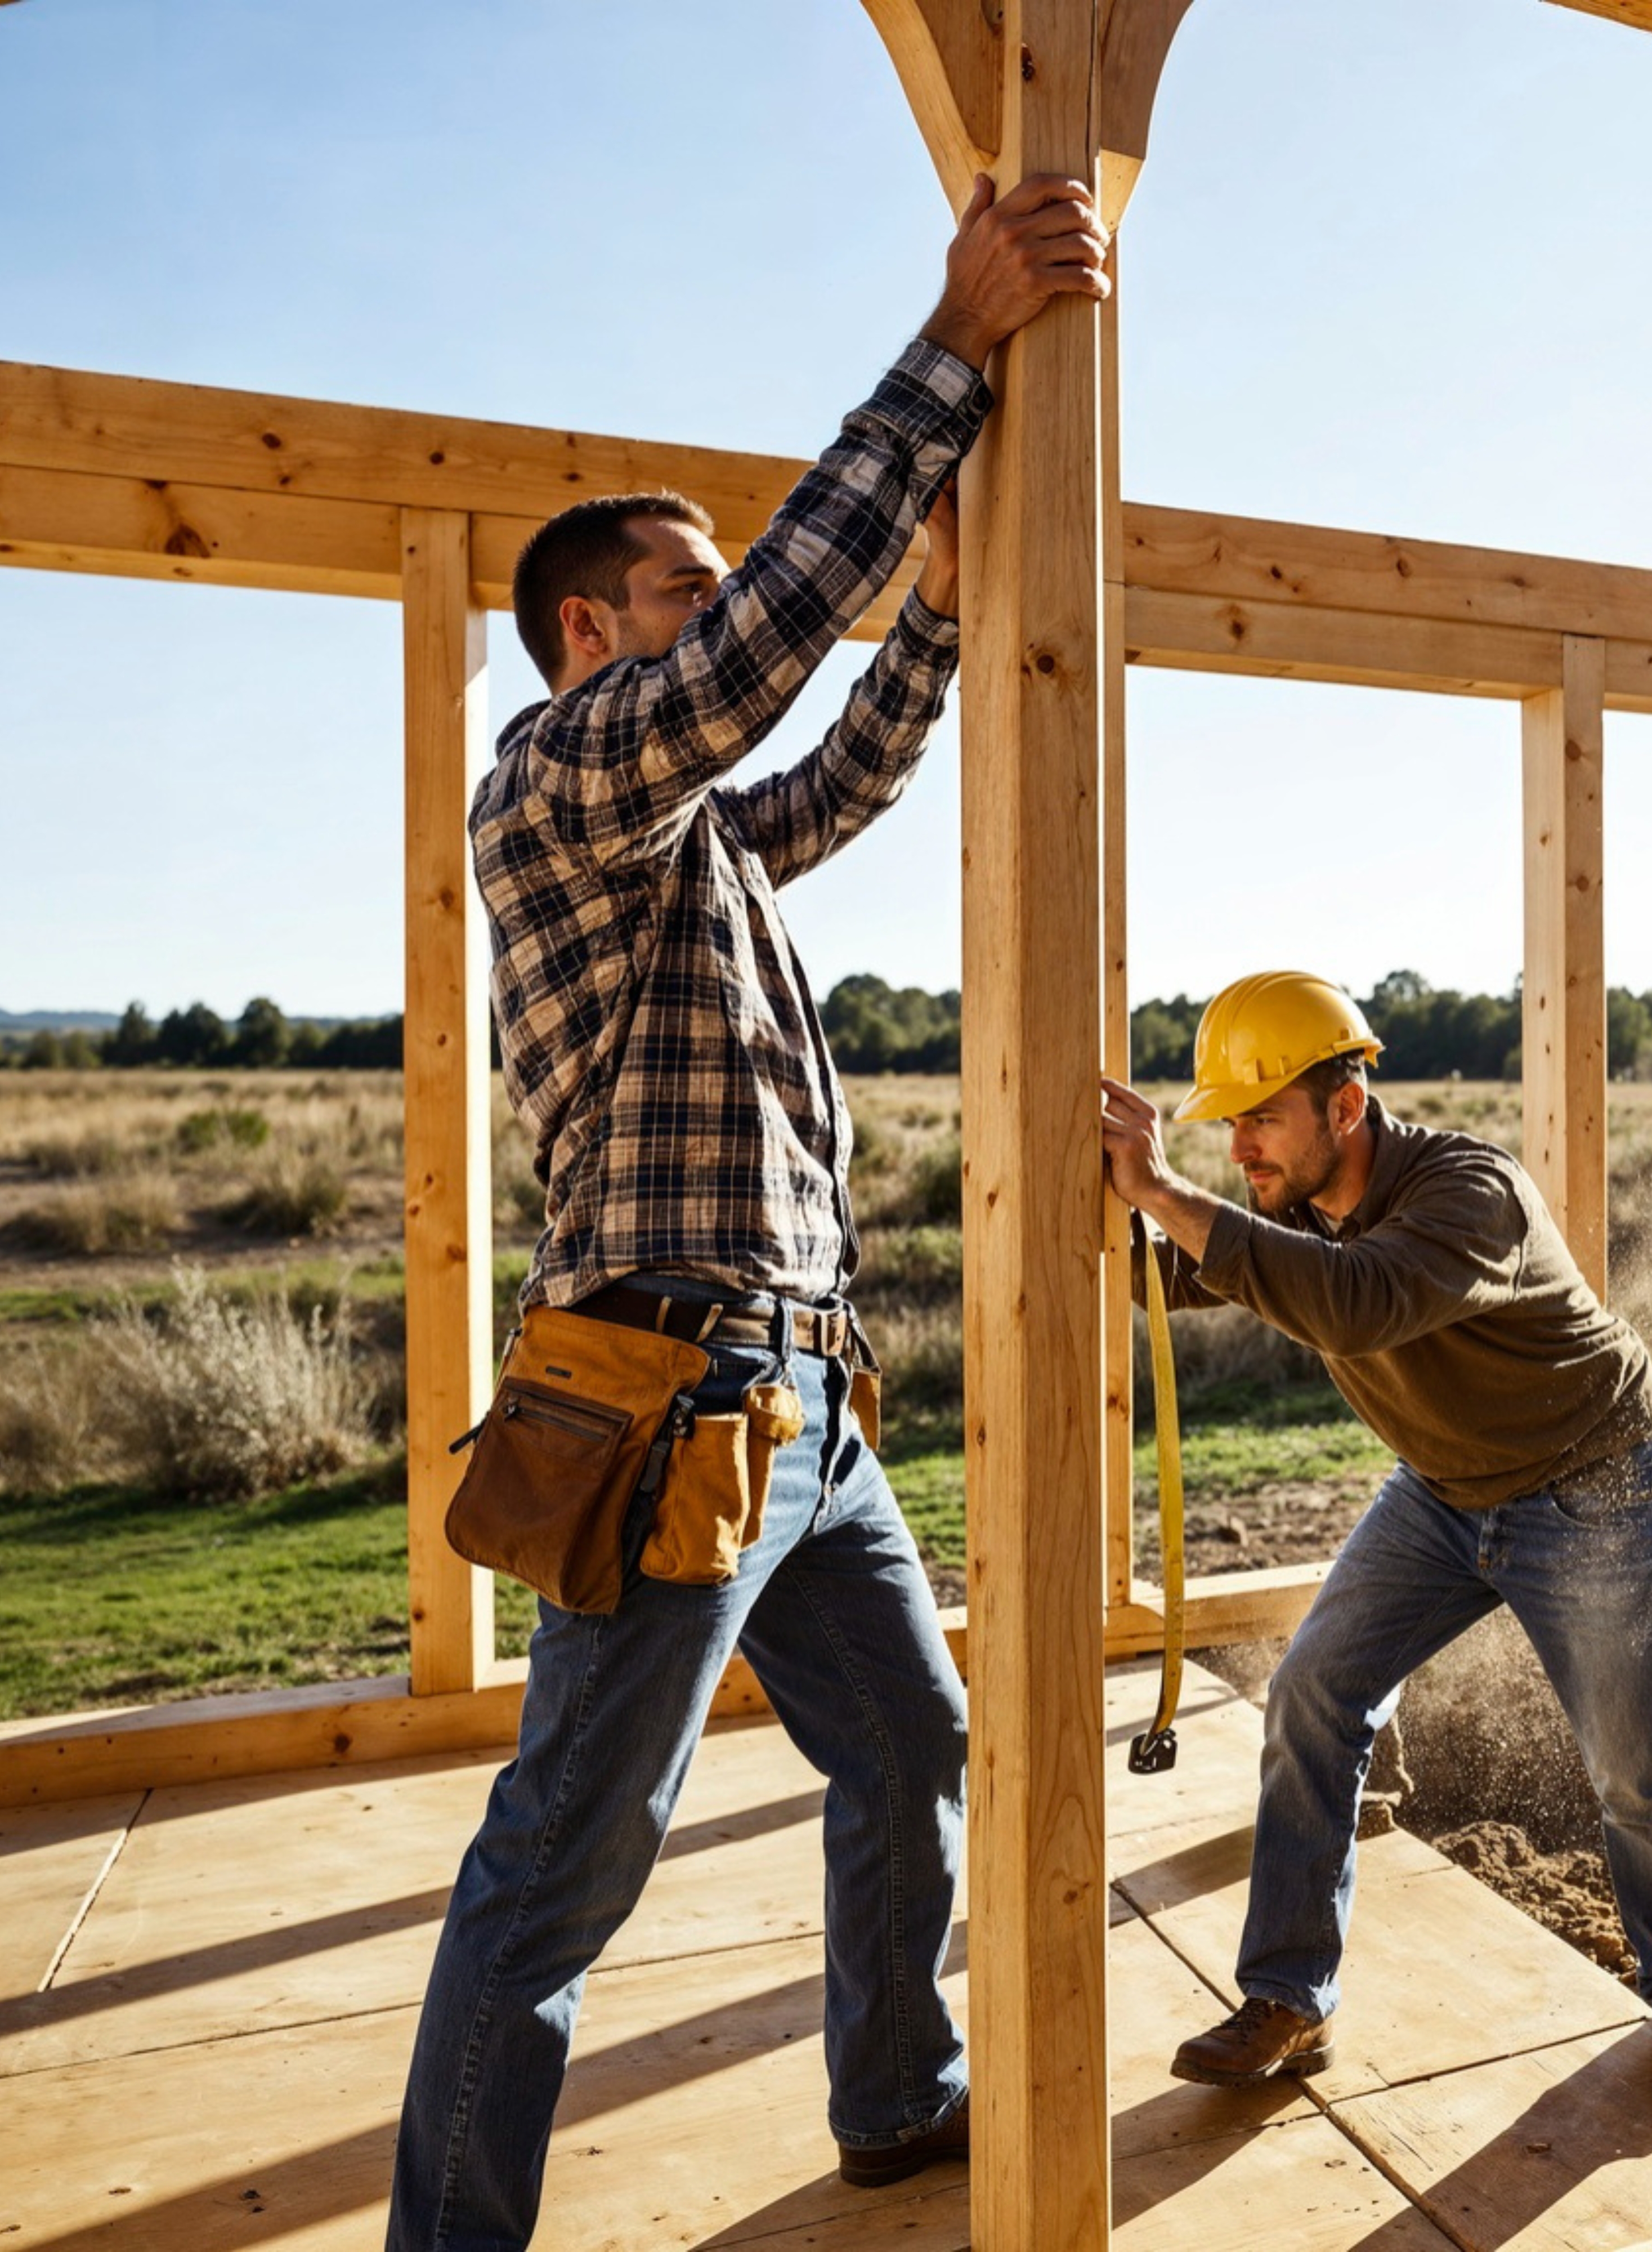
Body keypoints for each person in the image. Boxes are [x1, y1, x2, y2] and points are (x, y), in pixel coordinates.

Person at [383, 173, 1109, 2251]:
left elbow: (840, 769)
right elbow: (761, 663)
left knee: (910, 1743)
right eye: (679, 592)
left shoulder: (694, 844)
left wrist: (941, 610)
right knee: (565, 1859)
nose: (715, 614)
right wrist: (952, 350)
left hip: (801, 1411)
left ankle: (896, 2101)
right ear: (588, 633)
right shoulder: (555, 786)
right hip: (666, 1398)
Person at [1099, 972, 1652, 2112]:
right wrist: (1109, 1206)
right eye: (1230, 1124)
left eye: (1260, 1118)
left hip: (1591, 1484)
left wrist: (1164, 1191)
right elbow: (1196, 1270)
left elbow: (1354, 1303)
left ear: (1345, 1108)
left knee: (1632, 1765)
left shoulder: (1470, 1193)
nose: (1240, 1148)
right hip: (1444, 1493)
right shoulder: (1302, 1202)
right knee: (1313, 1693)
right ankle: (1291, 1996)